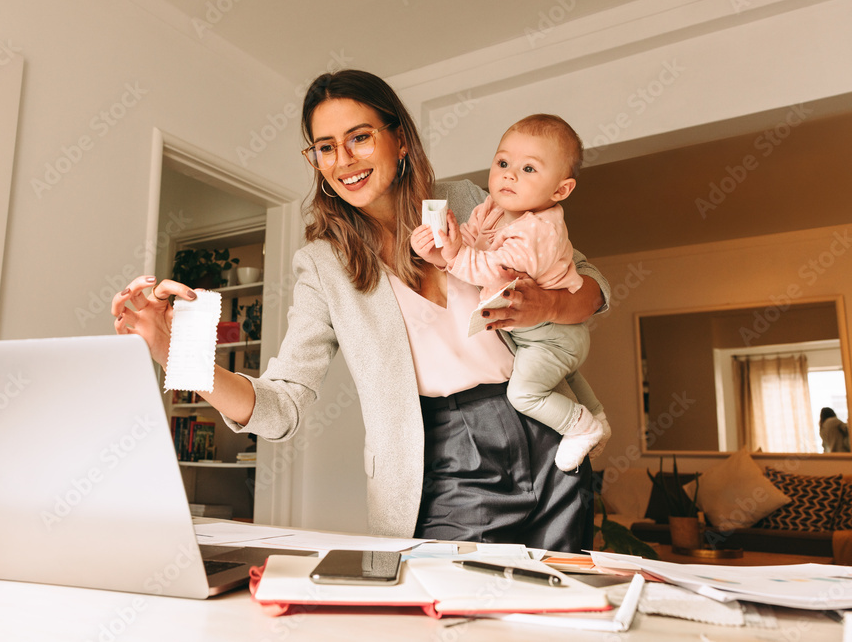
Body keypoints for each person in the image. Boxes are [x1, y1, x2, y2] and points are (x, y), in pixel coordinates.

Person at [111, 70, 610, 551]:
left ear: (401, 139)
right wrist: (182, 354)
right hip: (443, 458)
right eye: (325, 147)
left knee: (561, 606)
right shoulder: (323, 265)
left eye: (360, 137)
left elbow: (594, 291)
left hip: (550, 426)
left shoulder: (469, 199)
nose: (344, 159)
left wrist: (549, 304)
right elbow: (282, 405)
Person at [410, 114, 608, 473]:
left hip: (553, 335)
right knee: (566, 377)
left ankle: (581, 427)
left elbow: (493, 270)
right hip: (534, 335)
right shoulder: (492, 208)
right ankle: (596, 414)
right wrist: (439, 252)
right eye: (503, 163)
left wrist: (454, 255)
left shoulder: (539, 231)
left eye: (529, 169)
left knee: (525, 393)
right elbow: (470, 241)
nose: (509, 174)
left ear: (560, 190)